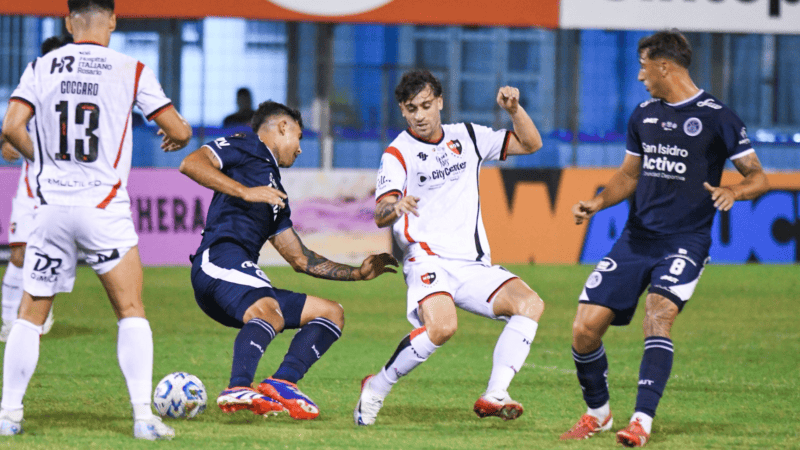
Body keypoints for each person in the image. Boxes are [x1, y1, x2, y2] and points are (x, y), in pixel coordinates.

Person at [559, 30, 768, 447]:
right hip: (637, 239)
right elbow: (628, 175)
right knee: (584, 329)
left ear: (664, 66)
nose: (640, 76)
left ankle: (641, 421)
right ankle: (598, 414)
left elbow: (758, 176)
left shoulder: (718, 117)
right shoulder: (643, 116)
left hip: (685, 240)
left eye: (643, 66)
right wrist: (598, 203)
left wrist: (734, 191)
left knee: (658, 314)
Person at [0, 0, 192, 440]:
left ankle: (9, 414)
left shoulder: (41, 66)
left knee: (30, 314)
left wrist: (45, 161)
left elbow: (12, 126)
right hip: (104, 208)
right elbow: (179, 131)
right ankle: (143, 417)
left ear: (69, 22)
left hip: (49, 208)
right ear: (113, 19)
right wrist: (173, 133)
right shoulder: (131, 69)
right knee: (130, 310)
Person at [180, 100, 398, 420]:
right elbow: (192, 163)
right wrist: (244, 192)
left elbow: (300, 258)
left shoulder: (275, 191)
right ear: (283, 127)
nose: (299, 149)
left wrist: (357, 274)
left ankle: (282, 382)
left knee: (330, 313)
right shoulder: (246, 144)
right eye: (298, 137)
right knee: (270, 309)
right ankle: (237, 387)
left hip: (238, 278)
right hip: (219, 261)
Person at [353, 70, 546, 426]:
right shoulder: (398, 153)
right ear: (403, 110)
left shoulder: (469, 136)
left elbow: (531, 144)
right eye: (411, 108)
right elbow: (380, 212)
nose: (420, 115)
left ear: (440, 102)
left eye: (426, 105)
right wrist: (394, 208)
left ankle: (496, 393)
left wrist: (515, 110)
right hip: (427, 258)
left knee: (529, 304)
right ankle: (377, 386)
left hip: (472, 264)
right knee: (442, 327)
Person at [0, 35, 73, 342]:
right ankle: (7, 321)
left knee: (49, 254)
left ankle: (39, 309)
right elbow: (15, 122)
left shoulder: (80, 89)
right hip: (32, 185)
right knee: (18, 253)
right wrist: (6, 141)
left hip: (67, 188)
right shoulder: (33, 84)